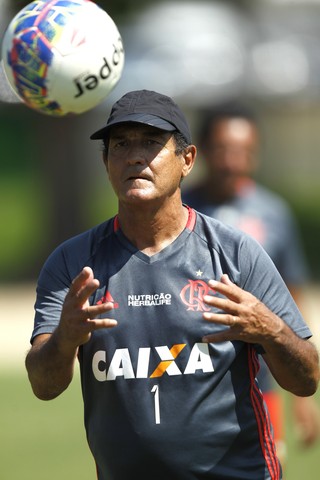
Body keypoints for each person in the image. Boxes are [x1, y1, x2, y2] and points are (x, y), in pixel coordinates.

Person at [25, 89, 319, 480]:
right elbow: (44, 386)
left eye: (150, 142)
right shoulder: (73, 264)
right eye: (121, 144)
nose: (134, 156)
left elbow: (308, 379)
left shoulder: (235, 253)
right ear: (106, 161)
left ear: (187, 160)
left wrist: (272, 330)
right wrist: (65, 338)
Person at [182, 102, 320, 462]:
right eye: (224, 149)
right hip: (189, 378)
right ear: (202, 151)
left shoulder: (273, 213)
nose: (233, 161)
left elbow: (291, 299)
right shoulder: (176, 210)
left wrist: (303, 399)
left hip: (261, 381)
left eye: (244, 151)